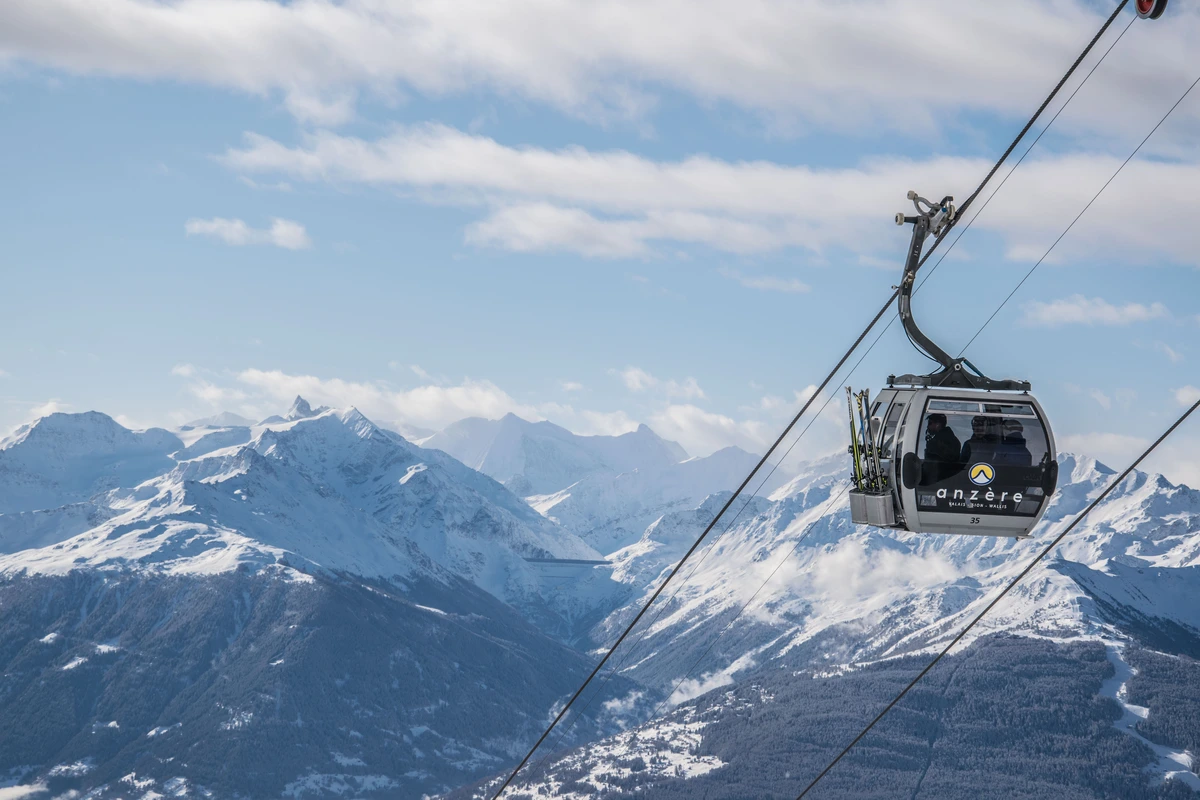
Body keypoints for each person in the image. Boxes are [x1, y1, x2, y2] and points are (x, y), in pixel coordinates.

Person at [921, 413, 961, 484]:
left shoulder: (937, 442)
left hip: (937, 481)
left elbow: (932, 464)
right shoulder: (953, 439)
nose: (927, 426)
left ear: (938, 425)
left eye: (930, 423)